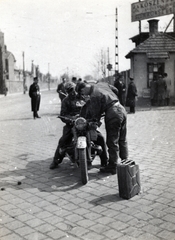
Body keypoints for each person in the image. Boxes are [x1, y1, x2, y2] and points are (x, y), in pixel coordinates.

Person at [50, 82, 108, 169]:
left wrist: (94, 118)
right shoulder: (65, 101)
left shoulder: (84, 98)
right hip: (72, 123)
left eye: (73, 90)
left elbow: (92, 109)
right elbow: (63, 114)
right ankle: (56, 160)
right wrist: (70, 119)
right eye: (69, 91)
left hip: (87, 122)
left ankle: (105, 161)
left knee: (100, 138)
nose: (72, 92)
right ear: (67, 91)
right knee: (63, 140)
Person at [77, 81, 128, 175]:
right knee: (122, 138)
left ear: (83, 89)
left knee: (112, 141)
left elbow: (95, 114)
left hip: (112, 113)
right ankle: (125, 161)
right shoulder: (101, 84)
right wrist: (112, 99)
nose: (83, 95)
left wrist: (93, 122)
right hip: (121, 108)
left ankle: (113, 166)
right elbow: (115, 90)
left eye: (82, 93)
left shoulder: (94, 96)